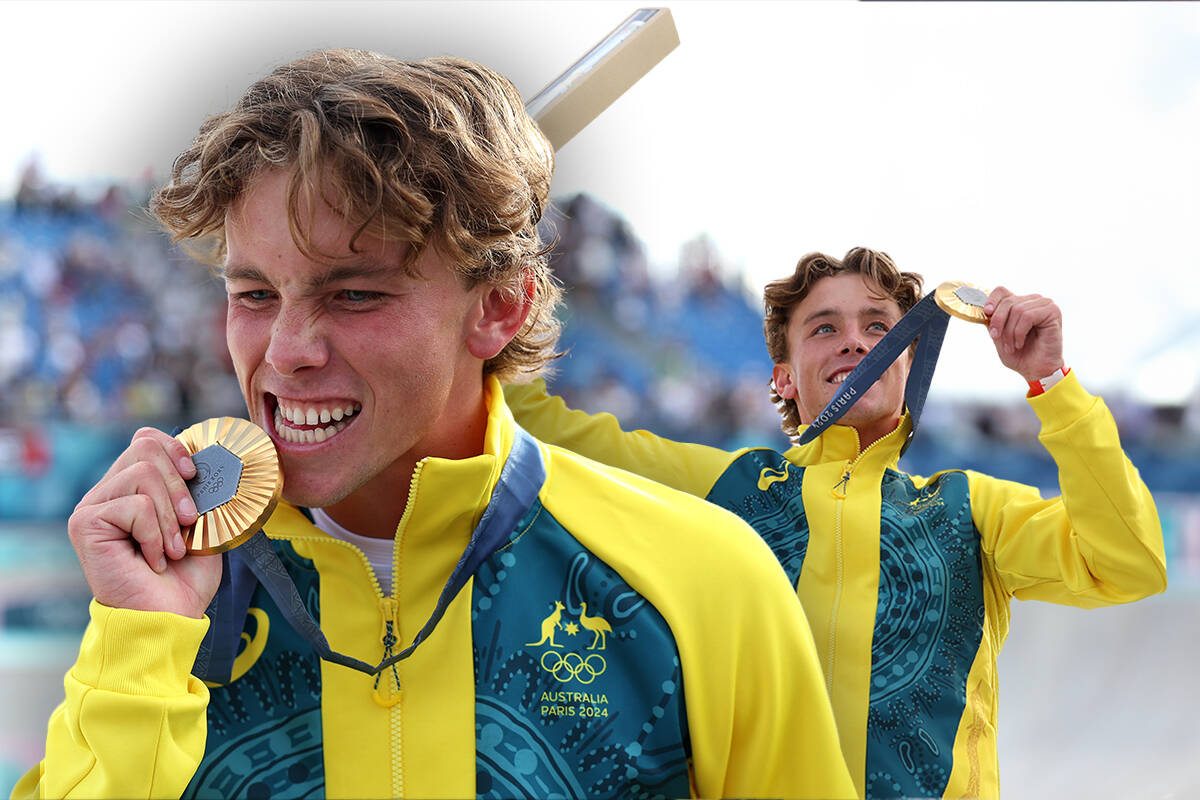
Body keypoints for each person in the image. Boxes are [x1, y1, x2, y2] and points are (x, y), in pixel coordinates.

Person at [13, 51, 856, 800]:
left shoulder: (708, 581)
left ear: (498, 306)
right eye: (255, 294)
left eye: (355, 294)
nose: (288, 350)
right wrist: (139, 647)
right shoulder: (172, 601)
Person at [505, 246, 1167, 800]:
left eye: (880, 328)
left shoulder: (974, 507)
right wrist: (498, 284)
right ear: (784, 379)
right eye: (824, 327)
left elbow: (1129, 561)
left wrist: (1053, 382)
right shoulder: (723, 486)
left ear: (910, 362)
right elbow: (534, 427)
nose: (854, 338)